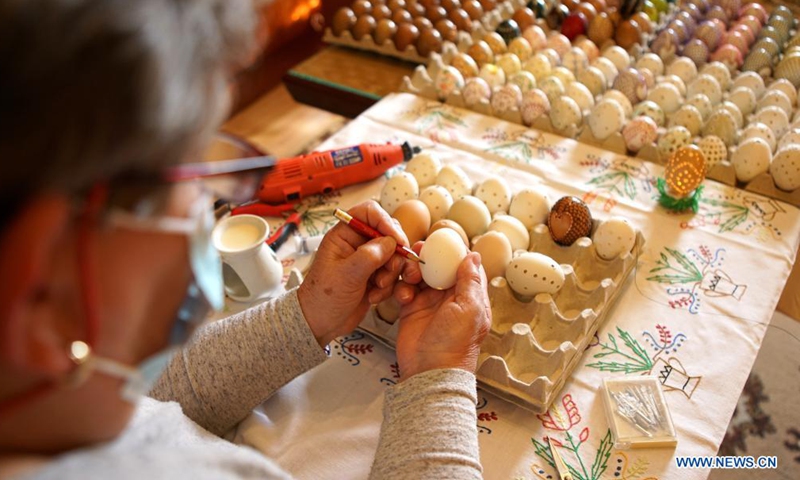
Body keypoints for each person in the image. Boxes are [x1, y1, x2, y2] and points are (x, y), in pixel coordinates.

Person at [0, 1, 491, 479]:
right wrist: (438, 380)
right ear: (41, 278)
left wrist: (305, 318)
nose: (205, 207)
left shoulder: (48, 402)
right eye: (190, 180)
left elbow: (154, 397)